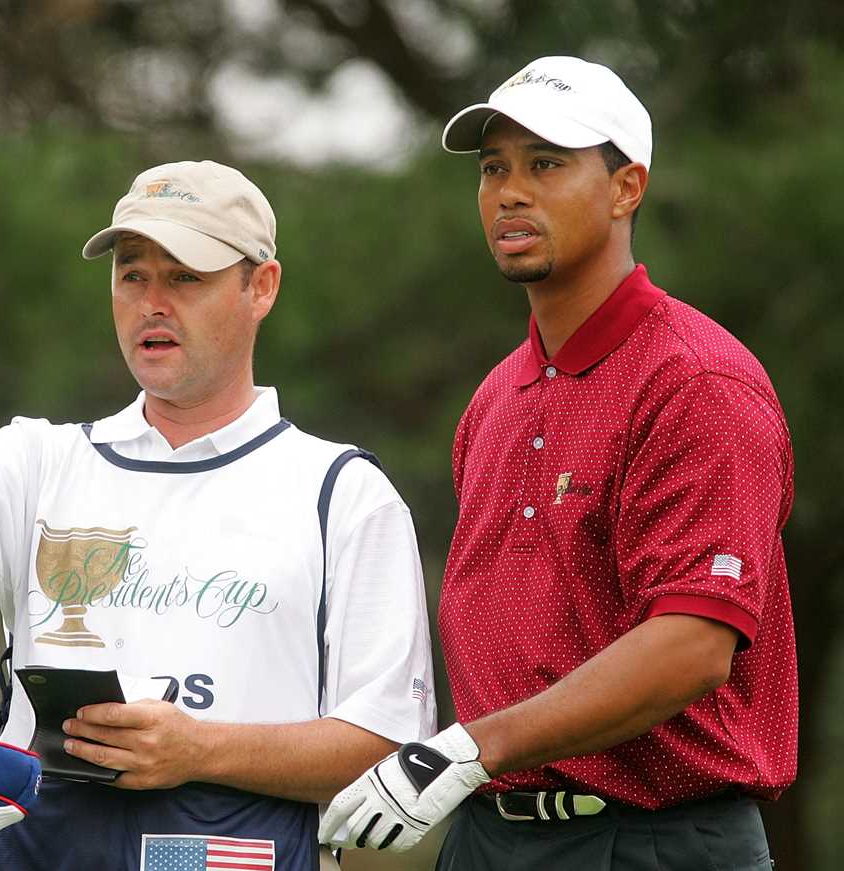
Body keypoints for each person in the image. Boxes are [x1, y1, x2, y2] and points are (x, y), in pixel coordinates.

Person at [0, 159, 436, 870]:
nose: (152, 301)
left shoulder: (343, 491)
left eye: (185, 277)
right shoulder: (45, 459)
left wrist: (199, 748)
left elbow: (389, 745)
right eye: (132, 275)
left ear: (260, 286)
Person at [320, 56, 797, 870]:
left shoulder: (695, 383)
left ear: (626, 188)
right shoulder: (495, 399)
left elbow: (691, 643)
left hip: (655, 840)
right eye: (494, 168)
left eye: (546, 165)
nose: (510, 191)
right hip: (488, 832)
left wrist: (470, 747)